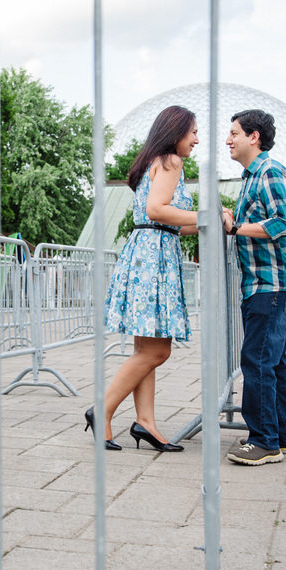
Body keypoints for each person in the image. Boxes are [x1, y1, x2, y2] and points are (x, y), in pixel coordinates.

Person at [84, 105, 199, 452]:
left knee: (145, 349)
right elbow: (157, 210)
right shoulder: (170, 162)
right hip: (153, 259)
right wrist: (206, 213)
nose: (196, 138)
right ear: (175, 130)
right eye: (192, 131)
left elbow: (169, 220)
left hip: (148, 252)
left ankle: (145, 422)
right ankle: (100, 411)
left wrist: (214, 219)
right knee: (157, 351)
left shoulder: (158, 162)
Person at [222, 109, 286, 466]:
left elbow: (283, 222)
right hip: (263, 282)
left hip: (270, 284)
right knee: (274, 362)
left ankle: (263, 441)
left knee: (256, 361)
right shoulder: (252, 177)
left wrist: (236, 228)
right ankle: (283, 437)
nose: (229, 140)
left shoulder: (269, 172)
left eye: (234, 133)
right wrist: (233, 218)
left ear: (254, 137)